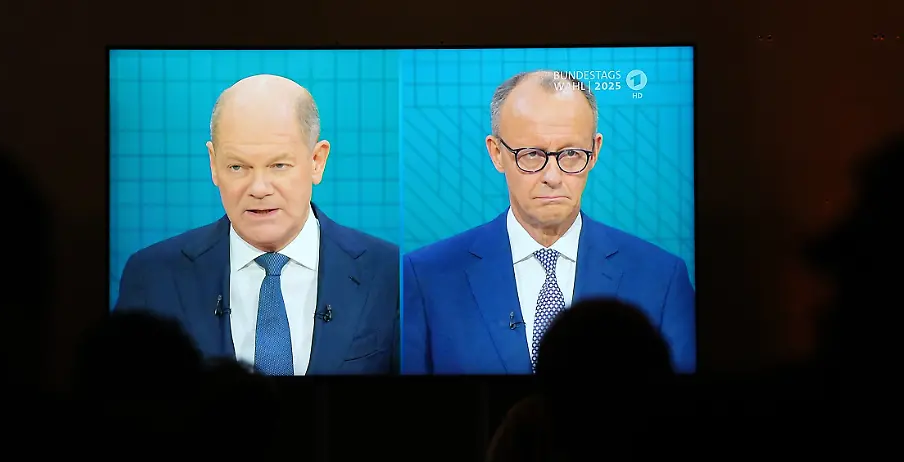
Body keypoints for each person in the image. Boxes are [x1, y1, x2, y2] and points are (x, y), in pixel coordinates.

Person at [403, 70, 696, 375]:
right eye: (531, 154)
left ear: (595, 151)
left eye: (571, 154)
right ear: (497, 153)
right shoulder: (426, 277)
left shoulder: (662, 278)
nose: (553, 177)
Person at [116, 74, 400, 375]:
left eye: (279, 165)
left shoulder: (389, 273)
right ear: (213, 164)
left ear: (317, 161)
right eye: (238, 166)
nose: (259, 188)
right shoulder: (153, 276)